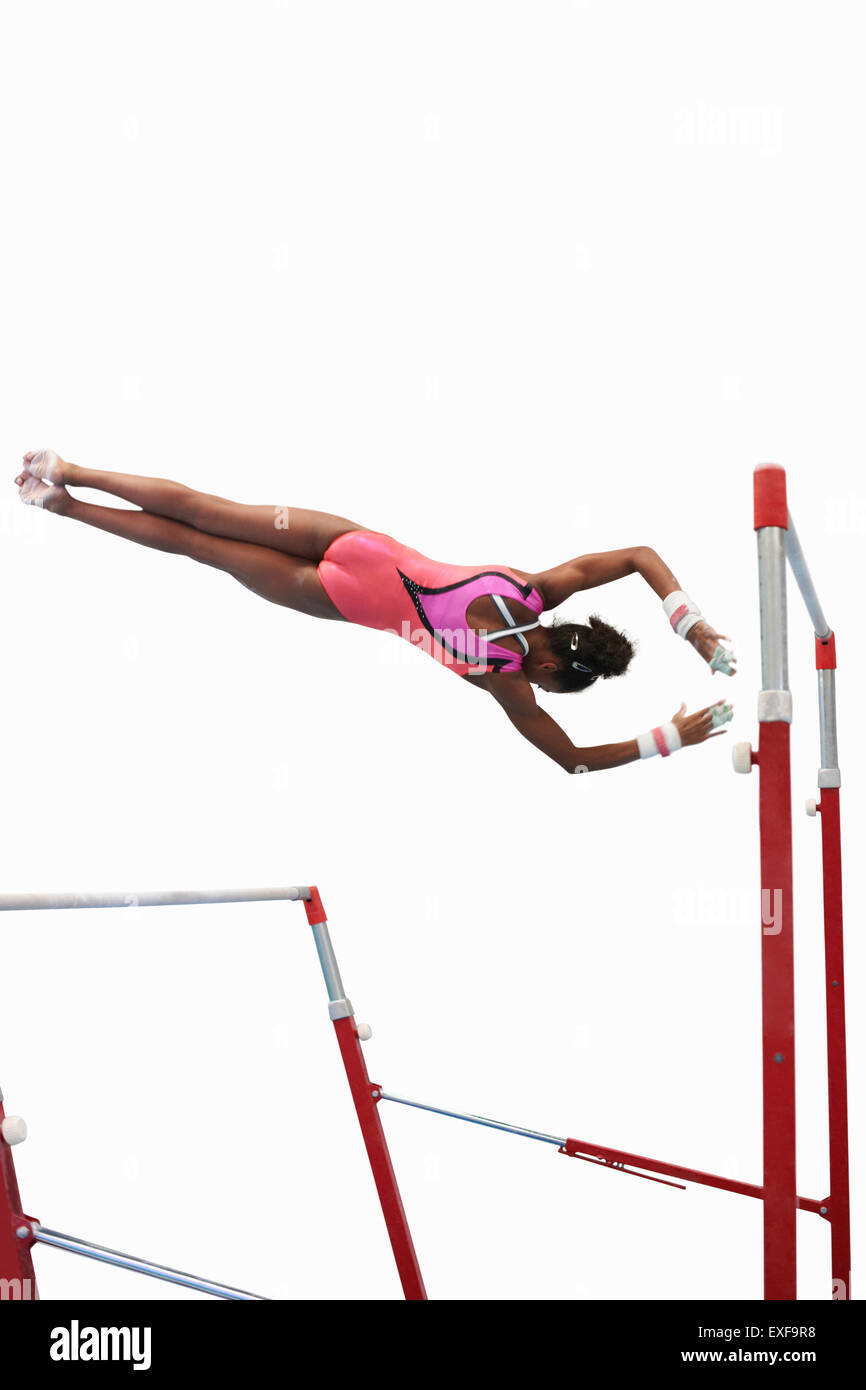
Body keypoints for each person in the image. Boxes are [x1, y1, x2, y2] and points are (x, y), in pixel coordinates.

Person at [16, 448, 734, 773]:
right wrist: (670, 739)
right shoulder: (504, 678)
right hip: (331, 596)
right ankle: (65, 503)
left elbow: (640, 555)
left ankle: (70, 468)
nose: (543, 689)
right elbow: (572, 761)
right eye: (553, 684)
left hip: (355, 542)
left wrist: (691, 626)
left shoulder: (535, 588)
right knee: (199, 548)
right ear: (548, 664)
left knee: (212, 509)